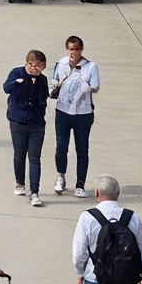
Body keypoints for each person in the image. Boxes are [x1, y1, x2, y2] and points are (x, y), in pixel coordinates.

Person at [3, 50, 51, 206]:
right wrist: (20, 82)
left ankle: (35, 192)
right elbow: (6, 88)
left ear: (43, 66)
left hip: (37, 124)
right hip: (18, 121)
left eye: (38, 65)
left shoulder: (43, 80)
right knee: (19, 154)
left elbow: (44, 98)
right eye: (30, 64)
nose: (33, 68)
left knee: (35, 158)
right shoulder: (17, 73)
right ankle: (20, 183)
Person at [53, 35, 99, 195]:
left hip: (83, 114)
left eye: (76, 49)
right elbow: (55, 81)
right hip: (63, 112)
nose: (73, 52)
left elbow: (95, 85)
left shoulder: (91, 66)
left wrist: (85, 87)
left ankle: (80, 185)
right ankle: (61, 176)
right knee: (61, 146)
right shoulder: (61, 64)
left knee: (82, 148)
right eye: (71, 49)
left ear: (81, 50)